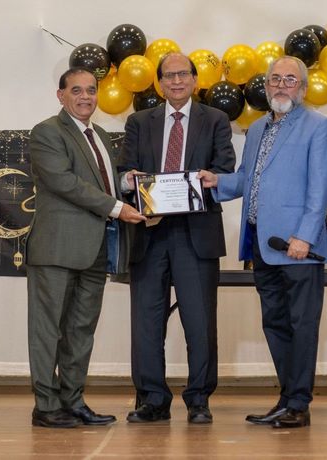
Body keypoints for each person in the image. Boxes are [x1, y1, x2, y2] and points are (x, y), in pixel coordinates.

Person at [198, 56, 327, 429]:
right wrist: (217, 182)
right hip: (262, 243)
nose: (280, 85)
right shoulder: (257, 128)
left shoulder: (319, 127)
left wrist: (304, 237)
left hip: (297, 246)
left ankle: (299, 404)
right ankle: (287, 398)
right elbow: (246, 179)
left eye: (290, 79)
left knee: (302, 325)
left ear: (303, 88)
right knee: (274, 323)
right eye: (275, 78)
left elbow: (320, 190)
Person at [118, 53, 236, 424]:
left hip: (196, 234)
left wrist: (205, 179)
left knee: (199, 322)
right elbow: (123, 173)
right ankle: (152, 399)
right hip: (149, 233)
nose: (176, 81)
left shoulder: (215, 120)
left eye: (183, 74)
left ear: (196, 79)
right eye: (168, 75)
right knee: (147, 321)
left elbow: (225, 169)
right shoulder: (139, 121)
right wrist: (130, 182)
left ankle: (199, 399)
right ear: (159, 83)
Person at [27, 67, 145, 428]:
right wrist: (117, 208)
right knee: (48, 329)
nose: (85, 97)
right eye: (76, 90)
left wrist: (125, 182)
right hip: (57, 248)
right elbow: (64, 182)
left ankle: (73, 400)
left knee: (81, 329)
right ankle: (46, 406)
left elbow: (100, 181)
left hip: (96, 247)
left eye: (91, 90)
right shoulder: (47, 131)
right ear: (60, 95)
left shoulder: (100, 134)